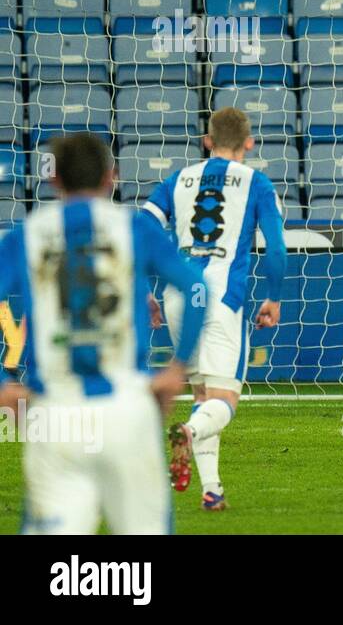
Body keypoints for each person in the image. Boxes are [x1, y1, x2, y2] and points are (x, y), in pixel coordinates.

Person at [0, 133, 206, 533]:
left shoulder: (25, 235)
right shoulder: (134, 230)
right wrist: (178, 367)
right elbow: (197, 287)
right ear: (112, 178)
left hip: (55, 414)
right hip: (127, 409)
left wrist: (2, 382)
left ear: (53, 179)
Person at [143, 107, 287, 511]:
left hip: (177, 297)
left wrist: (145, 291)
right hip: (224, 298)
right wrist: (273, 296)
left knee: (204, 392)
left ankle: (213, 490)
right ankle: (187, 431)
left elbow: (143, 228)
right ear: (249, 142)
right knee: (225, 398)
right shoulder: (257, 183)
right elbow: (276, 247)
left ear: (207, 141)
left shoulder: (178, 179)